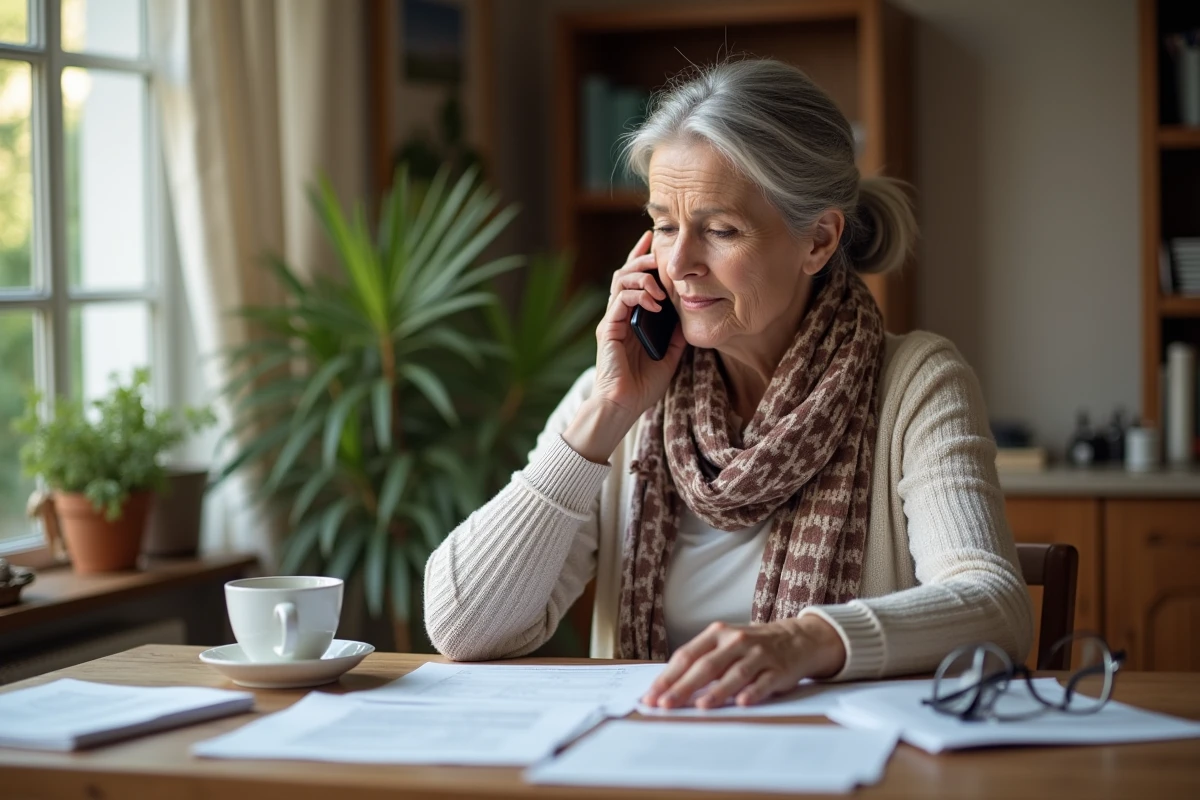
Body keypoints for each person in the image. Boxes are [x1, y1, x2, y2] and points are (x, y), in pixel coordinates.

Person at [424, 58, 1033, 709]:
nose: (679, 262)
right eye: (662, 224)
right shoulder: (622, 396)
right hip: (645, 760)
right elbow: (462, 628)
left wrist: (805, 640)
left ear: (819, 241)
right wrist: (605, 414)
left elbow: (995, 608)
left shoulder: (917, 384)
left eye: (720, 230)